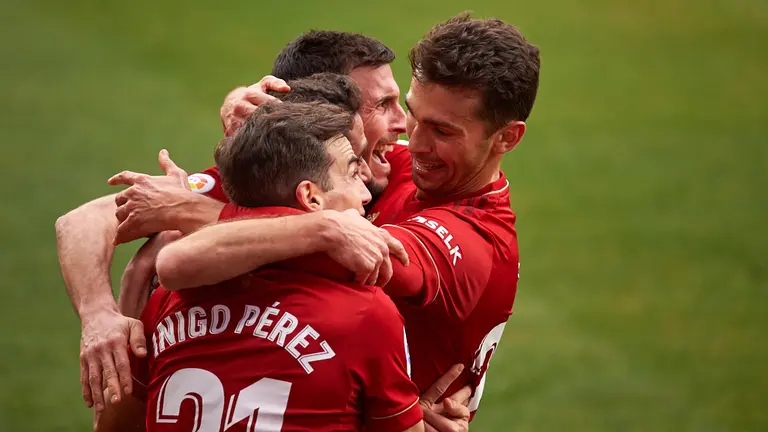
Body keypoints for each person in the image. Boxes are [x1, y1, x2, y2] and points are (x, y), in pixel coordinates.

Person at [159, 13, 540, 420]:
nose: (412, 142)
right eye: (413, 112)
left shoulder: (472, 241)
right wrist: (253, 108)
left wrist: (193, 212)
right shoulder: (401, 165)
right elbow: (119, 210)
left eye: (442, 132)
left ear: (507, 137)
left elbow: (346, 253)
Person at [96, 101, 424, 432]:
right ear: (311, 198)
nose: (365, 193)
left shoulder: (167, 302)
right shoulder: (365, 314)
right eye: (352, 174)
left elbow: (114, 427)